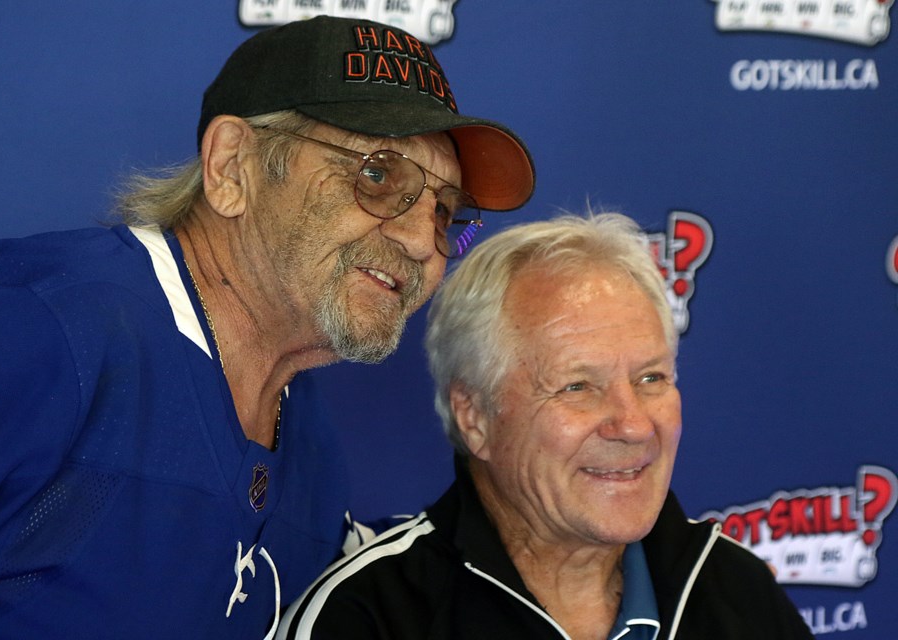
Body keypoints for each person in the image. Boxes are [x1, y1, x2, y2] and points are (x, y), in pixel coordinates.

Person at [0, 16, 534, 640]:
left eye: (444, 211)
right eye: (378, 175)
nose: (420, 241)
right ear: (232, 168)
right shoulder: (25, 334)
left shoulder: (308, 442)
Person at [277, 213, 815, 640]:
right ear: (475, 416)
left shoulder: (734, 593)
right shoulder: (370, 618)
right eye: (578, 386)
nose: (632, 424)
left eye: (652, 377)